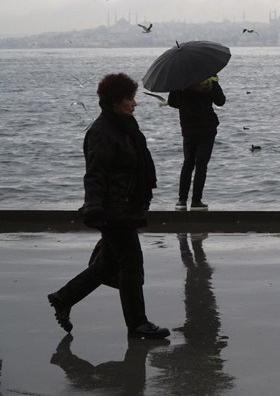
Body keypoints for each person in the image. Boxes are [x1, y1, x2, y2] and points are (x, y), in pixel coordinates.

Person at [47, 72, 170, 339]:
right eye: (129, 99)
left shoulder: (125, 127)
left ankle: (63, 298)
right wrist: (94, 207)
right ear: (115, 102)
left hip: (127, 207)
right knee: (132, 265)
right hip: (114, 210)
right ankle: (138, 323)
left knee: (110, 264)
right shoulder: (102, 132)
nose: (134, 104)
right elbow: (95, 172)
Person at [168, 76, 226, 211]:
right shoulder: (209, 80)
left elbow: (172, 102)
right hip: (207, 127)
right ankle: (196, 201)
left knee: (188, 163)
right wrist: (214, 85)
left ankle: (182, 200)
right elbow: (221, 101)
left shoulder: (180, 81)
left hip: (188, 127)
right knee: (201, 164)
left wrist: (184, 98)